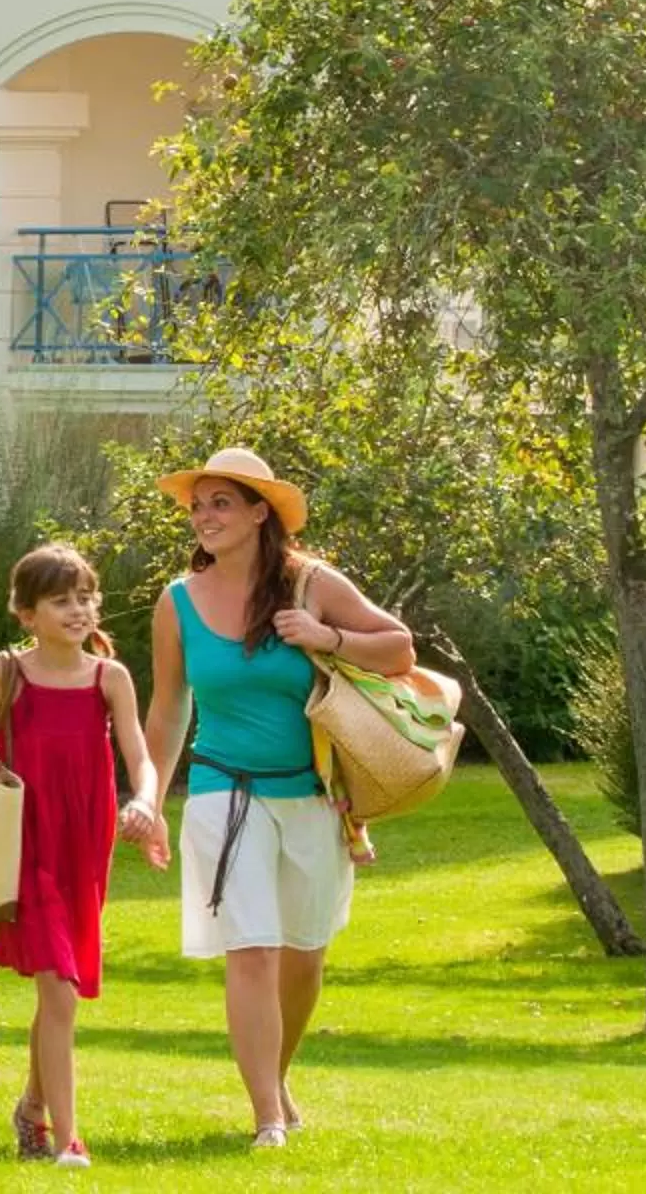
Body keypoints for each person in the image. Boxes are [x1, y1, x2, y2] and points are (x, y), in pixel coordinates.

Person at [140, 447, 413, 1148]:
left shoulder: (310, 584)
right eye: (198, 506)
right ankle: (266, 1116)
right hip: (221, 793)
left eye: (221, 503)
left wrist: (328, 637)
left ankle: (277, 1076)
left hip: (312, 797)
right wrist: (149, 798)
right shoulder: (177, 602)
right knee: (252, 949)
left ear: (261, 512)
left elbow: (399, 648)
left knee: (303, 954)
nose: (204, 517)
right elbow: (168, 710)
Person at [0, 544, 169, 1170]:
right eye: (61, 600)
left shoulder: (110, 678)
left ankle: (32, 1107)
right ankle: (68, 1139)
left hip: (86, 844)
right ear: (27, 614)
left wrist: (145, 801)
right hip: (25, 845)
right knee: (59, 991)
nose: (78, 610)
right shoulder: (5, 674)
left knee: (62, 987)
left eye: (85, 597)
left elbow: (141, 757)